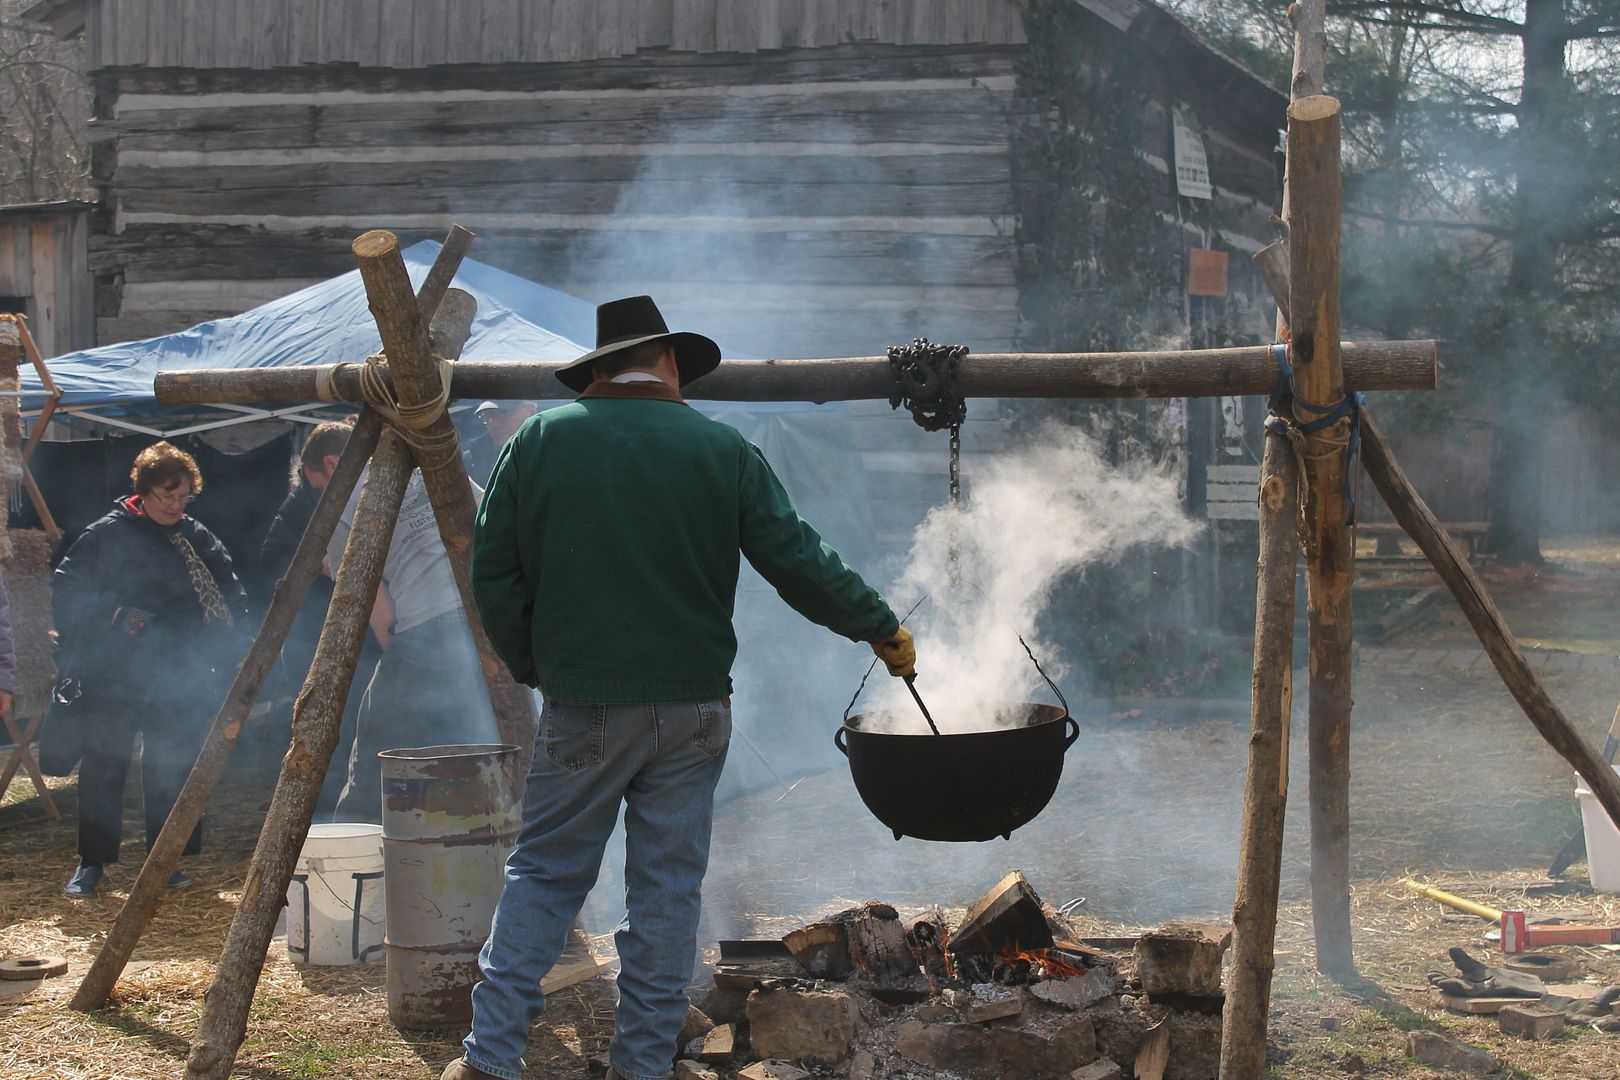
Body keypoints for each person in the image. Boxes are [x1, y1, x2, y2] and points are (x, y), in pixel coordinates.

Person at [445, 296, 916, 1080]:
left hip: (584, 702)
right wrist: (879, 626)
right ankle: (641, 1064)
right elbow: (797, 560)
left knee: (547, 874)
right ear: (668, 363)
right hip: (695, 707)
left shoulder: (537, 441)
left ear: (598, 369)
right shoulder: (719, 449)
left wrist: (537, 665)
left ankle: (490, 1060)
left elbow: (493, 574)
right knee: (666, 890)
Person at [53, 441, 246, 898]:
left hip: (178, 673)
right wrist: (114, 616)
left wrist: (235, 646)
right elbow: (65, 590)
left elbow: (229, 589)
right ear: (143, 491)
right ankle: (92, 862)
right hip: (114, 673)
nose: (175, 506)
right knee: (104, 765)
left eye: (183, 498)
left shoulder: (194, 535)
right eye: (166, 496)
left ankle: (167, 859)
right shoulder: (105, 534)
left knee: (172, 766)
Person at [326, 456, 499, 824]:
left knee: (376, 762)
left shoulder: (346, 504)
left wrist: (410, 667)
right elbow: (493, 523)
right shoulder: (442, 471)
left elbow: (379, 612)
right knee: (490, 754)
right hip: (492, 628)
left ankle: (356, 854)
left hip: (426, 629)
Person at [259, 418, 376, 817]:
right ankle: (324, 817)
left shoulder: (376, 485)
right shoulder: (303, 503)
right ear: (330, 464)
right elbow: (273, 562)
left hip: (370, 636)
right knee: (322, 729)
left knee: (369, 721)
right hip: (316, 636)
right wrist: (321, 564)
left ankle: (362, 811)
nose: (315, 487)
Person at [463, 400, 538, 484]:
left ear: (531, 412)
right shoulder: (469, 461)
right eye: (488, 414)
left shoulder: (549, 452)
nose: (494, 424)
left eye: (504, 412)